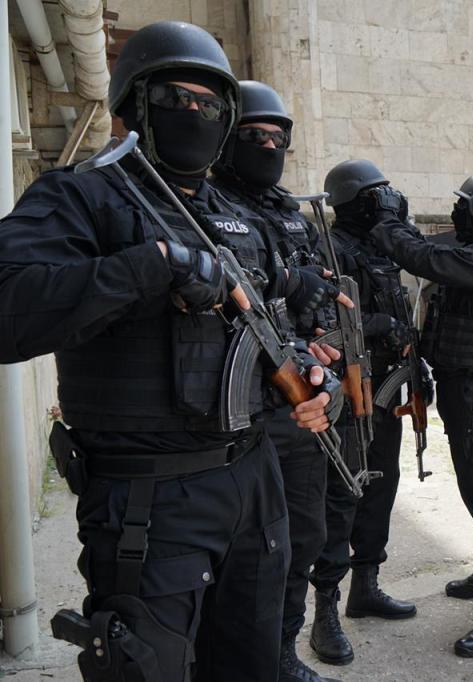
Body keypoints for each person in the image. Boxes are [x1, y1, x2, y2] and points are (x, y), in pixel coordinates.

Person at [0, 22, 344, 681]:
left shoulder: (238, 217)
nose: (195, 114)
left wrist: (311, 378)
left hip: (253, 479)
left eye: (210, 105)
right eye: (175, 99)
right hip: (150, 499)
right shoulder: (82, 195)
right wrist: (153, 266)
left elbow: (271, 329)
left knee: (251, 661)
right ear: (133, 105)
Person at [210, 80, 346, 682]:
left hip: (296, 403)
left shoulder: (294, 216)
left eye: (277, 138)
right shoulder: (203, 205)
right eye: (253, 136)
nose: (267, 147)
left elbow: (318, 302)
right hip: (233, 411)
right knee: (241, 549)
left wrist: (321, 344)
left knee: (303, 536)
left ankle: (283, 651)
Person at [365, 175, 473, 658]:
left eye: (462, 205)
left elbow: (421, 257)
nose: (455, 212)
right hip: (464, 387)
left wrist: (388, 219)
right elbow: (433, 249)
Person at [305, 159, 423, 667]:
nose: (388, 200)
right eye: (378, 194)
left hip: (386, 389)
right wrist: (378, 325)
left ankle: (366, 585)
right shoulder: (327, 248)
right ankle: (324, 611)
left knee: (381, 486)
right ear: (354, 200)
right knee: (342, 496)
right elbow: (318, 319)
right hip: (349, 389)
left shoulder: (382, 248)